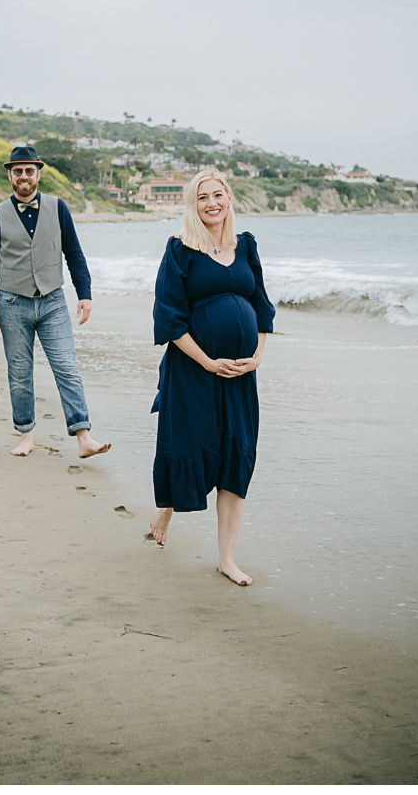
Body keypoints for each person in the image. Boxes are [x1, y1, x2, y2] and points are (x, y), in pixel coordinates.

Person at [149, 169, 275, 585]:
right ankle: (167, 508)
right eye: (202, 198)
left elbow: (261, 309)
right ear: (193, 204)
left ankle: (226, 559)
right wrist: (205, 361)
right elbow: (169, 315)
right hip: (193, 369)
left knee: (234, 458)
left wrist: (255, 357)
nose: (211, 203)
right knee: (191, 446)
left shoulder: (246, 247)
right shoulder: (180, 249)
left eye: (217, 195)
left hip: (239, 374)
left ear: (230, 197)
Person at [0, 144, 110, 460]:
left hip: (53, 301)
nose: (24, 176)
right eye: (18, 171)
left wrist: (85, 293)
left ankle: (83, 437)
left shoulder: (59, 207)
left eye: (29, 170)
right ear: (10, 175)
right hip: (12, 303)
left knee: (66, 366)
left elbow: (74, 254)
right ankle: (26, 436)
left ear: (38, 173)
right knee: (20, 372)